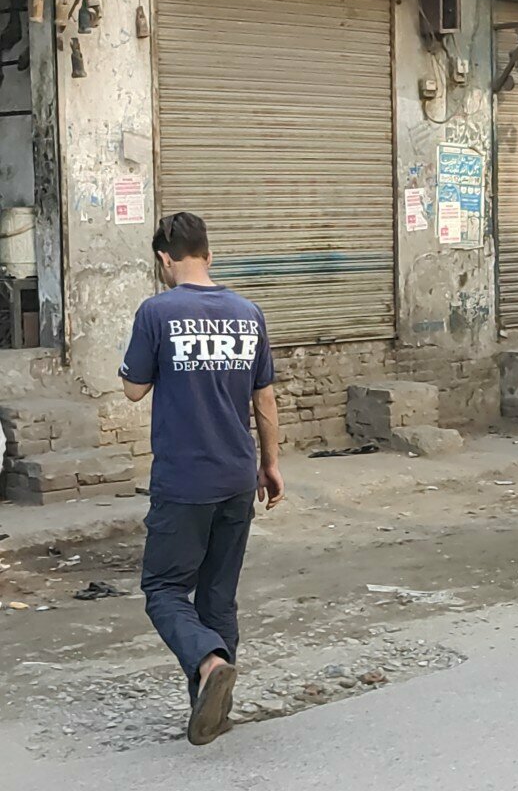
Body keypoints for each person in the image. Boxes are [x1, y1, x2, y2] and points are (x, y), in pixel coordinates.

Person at [119, 211, 284, 746]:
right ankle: (211, 711)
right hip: (238, 475)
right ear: (208, 254)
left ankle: (210, 664)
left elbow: (133, 389)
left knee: (164, 588)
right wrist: (271, 463)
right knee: (218, 598)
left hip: (183, 481)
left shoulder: (156, 312)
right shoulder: (248, 312)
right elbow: (265, 400)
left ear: (166, 259)